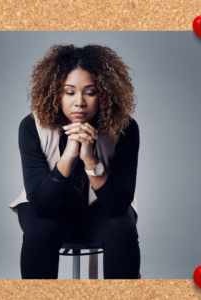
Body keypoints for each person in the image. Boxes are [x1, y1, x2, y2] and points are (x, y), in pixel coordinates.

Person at [16, 44, 140, 279]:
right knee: (40, 231)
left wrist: (90, 159)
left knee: (122, 229)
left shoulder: (125, 129)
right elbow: (41, 206)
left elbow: (118, 205)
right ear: (55, 94)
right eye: (69, 92)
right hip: (48, 209)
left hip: (100, 208)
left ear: (105, 93)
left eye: (90, 92)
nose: (79, 102)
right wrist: (68, 155)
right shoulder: (31, 127)